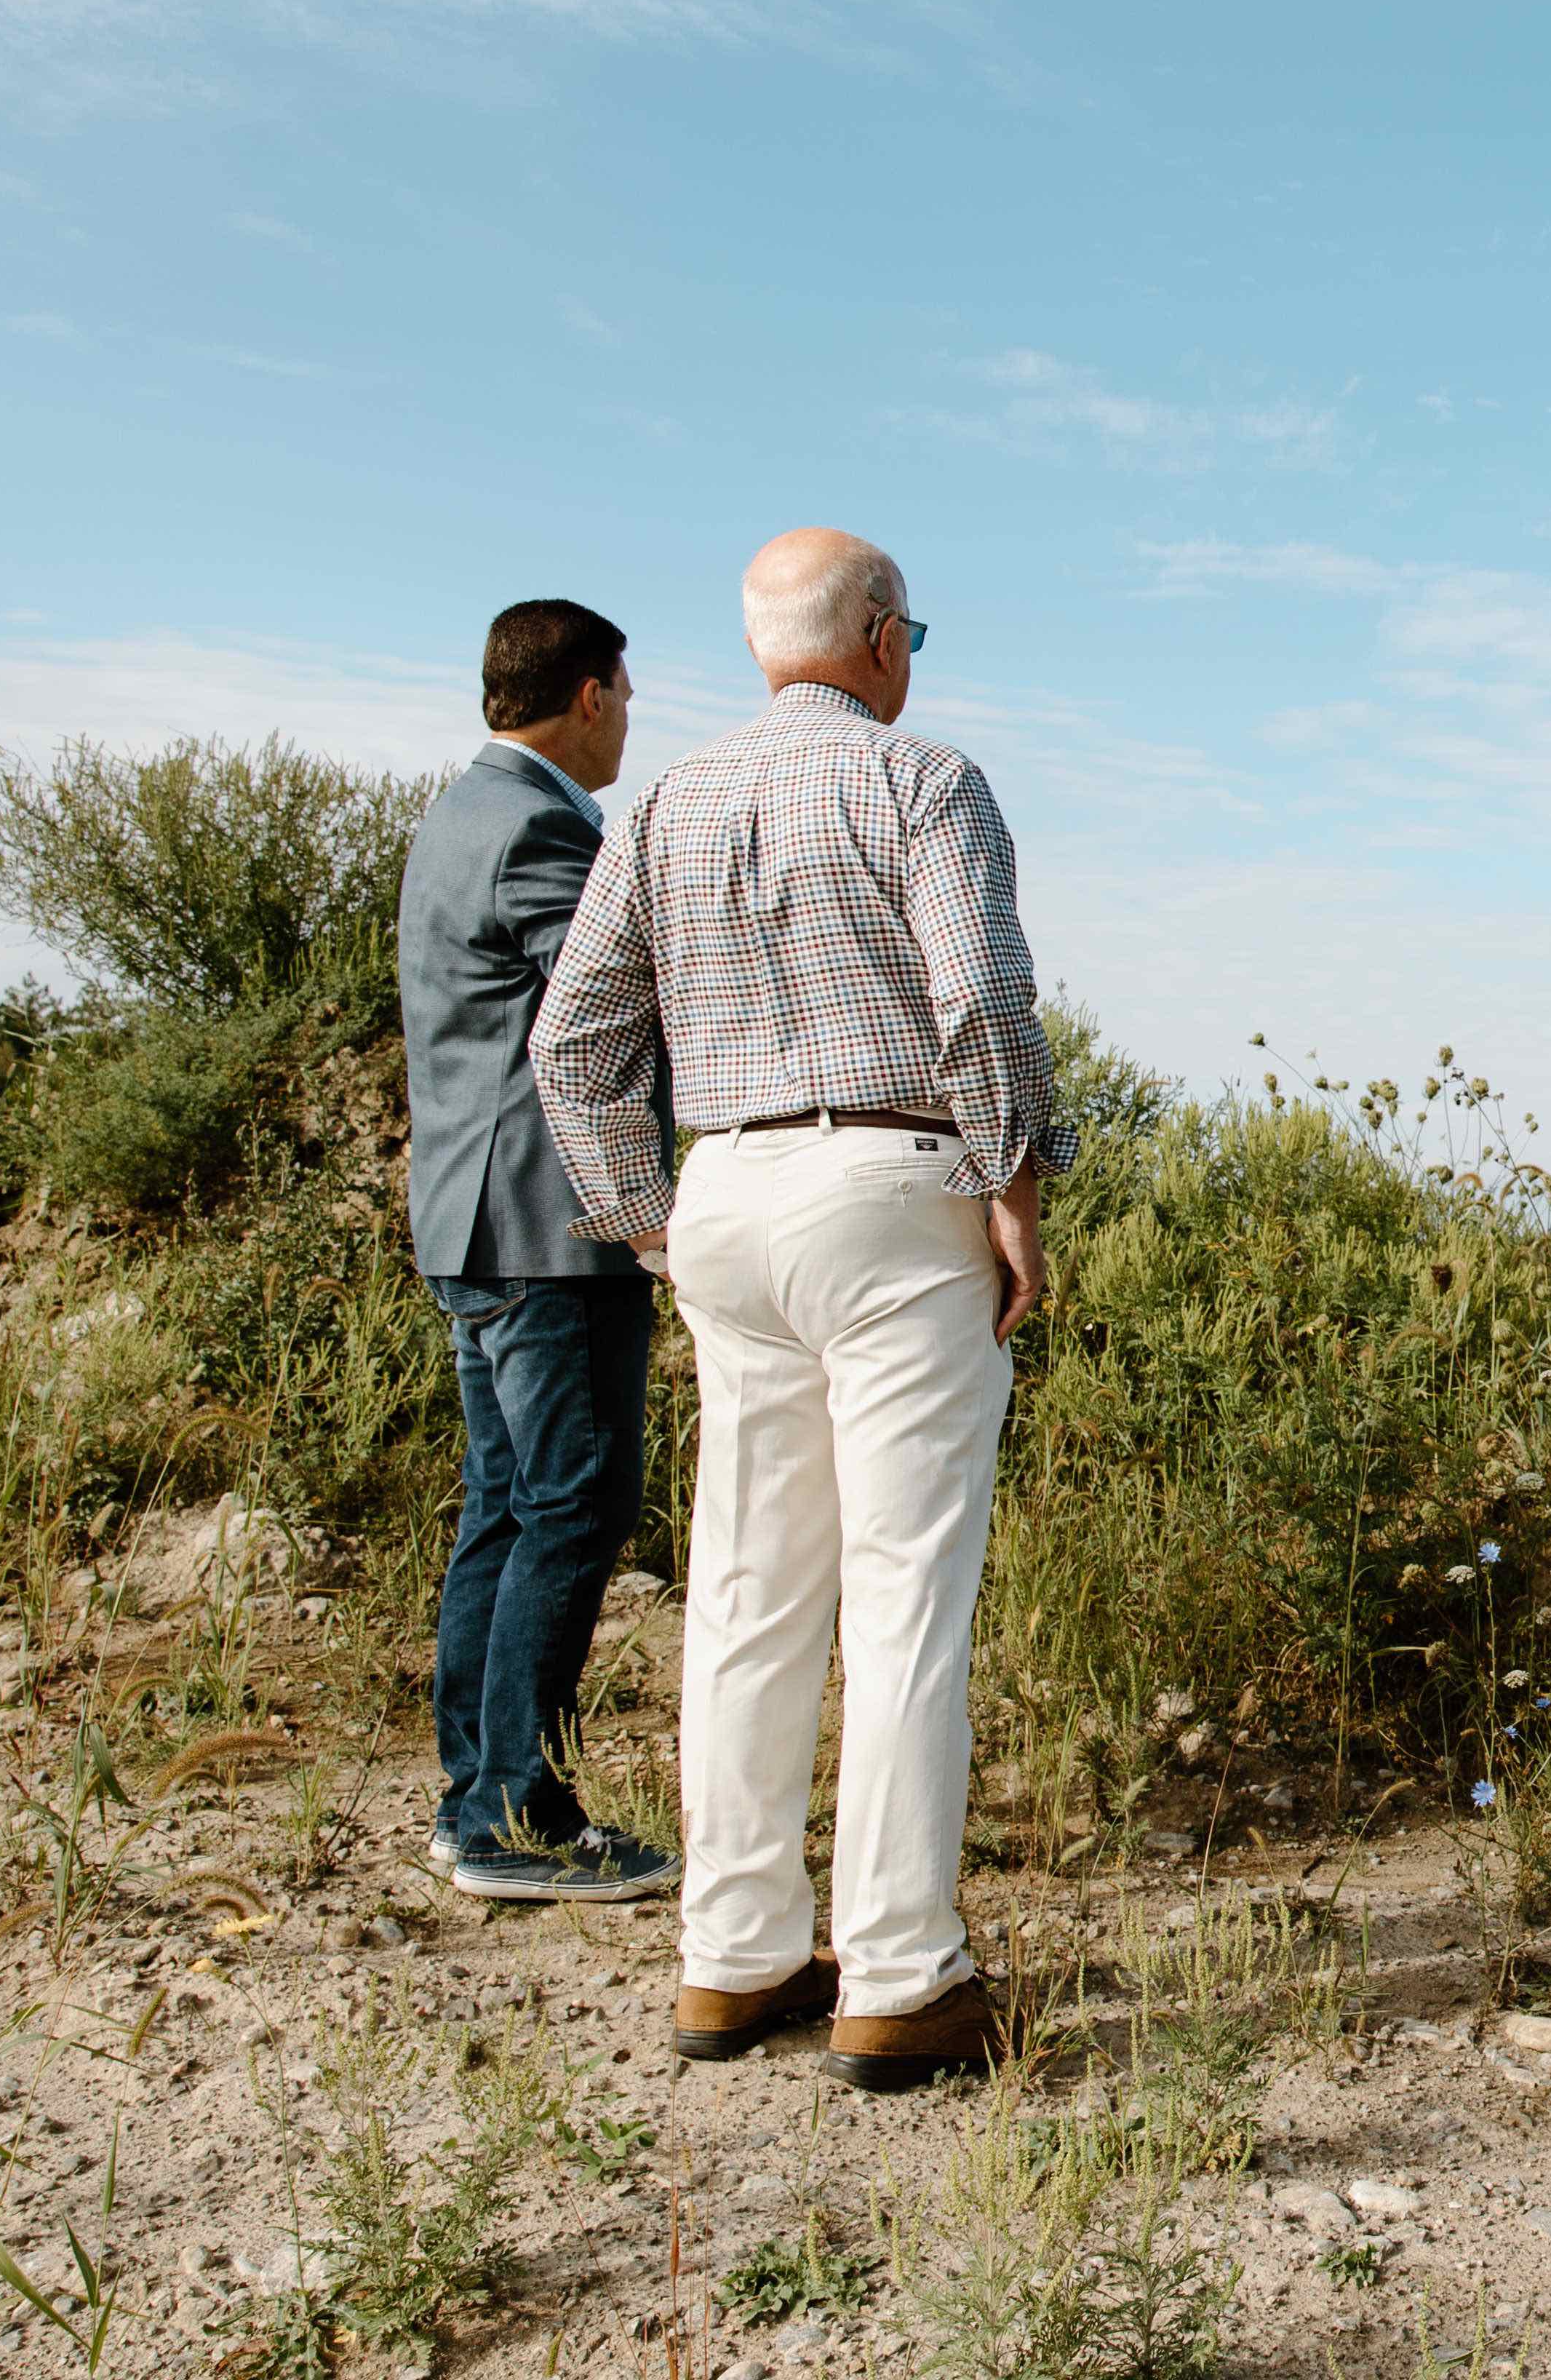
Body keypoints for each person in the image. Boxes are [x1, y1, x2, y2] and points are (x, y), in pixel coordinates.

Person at [532, 528, 1066, 2089]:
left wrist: (646, 1217)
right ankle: (902, 1975)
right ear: (885, 639)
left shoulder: (669, 802)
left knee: (749, 1587)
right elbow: (978, 997)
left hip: (728, 1198)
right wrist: (1017, 1185)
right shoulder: (928, 783)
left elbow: (574, 1041)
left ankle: (735, 1955)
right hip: (893, 1191)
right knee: (904, 1591)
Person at [395, 598, 682, 1906]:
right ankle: (517, 1814)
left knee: (510, 1506)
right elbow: (604, 1019)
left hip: (474, 1218)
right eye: (624, 693)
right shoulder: (543, 831)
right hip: (549, 1228)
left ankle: (474, 1803)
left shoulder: (461, 814)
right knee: (575, 1503)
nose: (628, 719)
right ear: (586, 693)